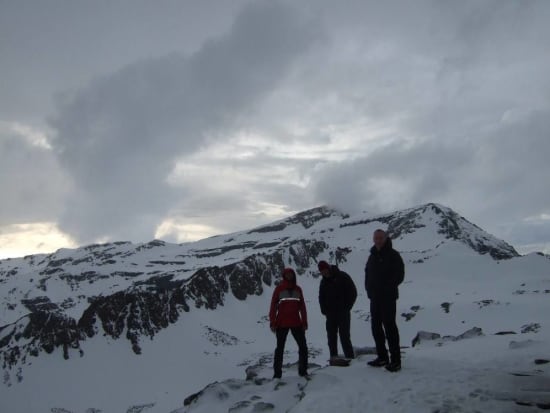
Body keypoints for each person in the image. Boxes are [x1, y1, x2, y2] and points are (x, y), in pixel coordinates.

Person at [364, 229, 405, 372]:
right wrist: (369, 290)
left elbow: (399, 275)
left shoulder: (393, 255)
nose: (378, 240)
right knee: (376, 328)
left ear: (386, 238)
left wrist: (387, 288)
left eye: (381, 238)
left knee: (390, 328)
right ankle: (382, 357)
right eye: (376, 238)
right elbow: (367, 274)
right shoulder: (372, 256)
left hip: (388, 298)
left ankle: (396, 361)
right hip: (375, 298)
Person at [269, 267, 309, 378]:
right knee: (280, 349)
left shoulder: (298, 289)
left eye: (291, 274)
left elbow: (302, 307)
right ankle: (277, 374)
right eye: (287, 274)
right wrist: (272, 322)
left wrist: (304, 321)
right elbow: (273, 306)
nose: (289, 276)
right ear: (284, 276)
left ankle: (303, 371)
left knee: (303, 347)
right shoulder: (279, 289)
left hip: (296, 322)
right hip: (282, 323)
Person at [318, 260, 357, 360]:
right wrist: (324, 310)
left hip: (343, 313)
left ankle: (350, 358)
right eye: (321, 272)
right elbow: (321, 297)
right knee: (331, 337)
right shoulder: (323, 282)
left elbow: (353, 292)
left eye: (324, 270)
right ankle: (333, 358)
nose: (324, 273)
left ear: (328, 268)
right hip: (330, 314)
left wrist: (347, 307)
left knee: (344, 336)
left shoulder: (342, 276)